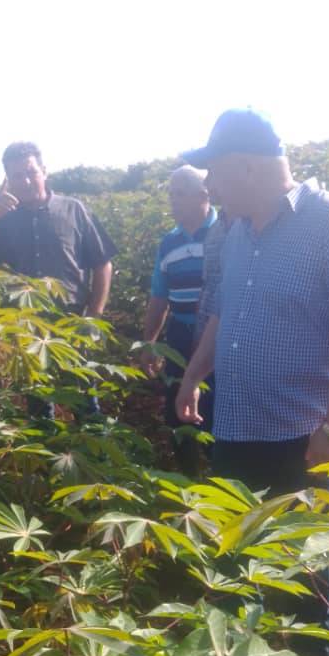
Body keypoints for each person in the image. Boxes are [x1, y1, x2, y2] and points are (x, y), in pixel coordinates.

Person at [176, 109, 329, 655]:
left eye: (215, 174)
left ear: (246, 168)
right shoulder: (235, 233)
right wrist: (193, 376)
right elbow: (222, 316)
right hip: (235, 428)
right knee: (230, 562)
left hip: (301, 440)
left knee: (300, 575)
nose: (210, 187)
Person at [0, 141, 116, 317]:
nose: (26, 181)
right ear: (8, 180)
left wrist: (94, 313)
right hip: (17, 322)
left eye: (31, 173)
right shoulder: (0, 217)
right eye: (17, 176)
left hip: (71, 319)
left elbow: (102, 264)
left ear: (44, 171)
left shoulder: (74, 209)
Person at [141, 166, 217, 470]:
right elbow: (159, 296)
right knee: (176, 410)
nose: (173, 200)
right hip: (180, 337)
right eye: (170, 193)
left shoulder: (227, 232)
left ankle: (220, 480)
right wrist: (150, 343)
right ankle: (187, 480)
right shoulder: (169, 242)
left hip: (218, 338)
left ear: (204, 194)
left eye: (180, 194)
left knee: (214, 410)